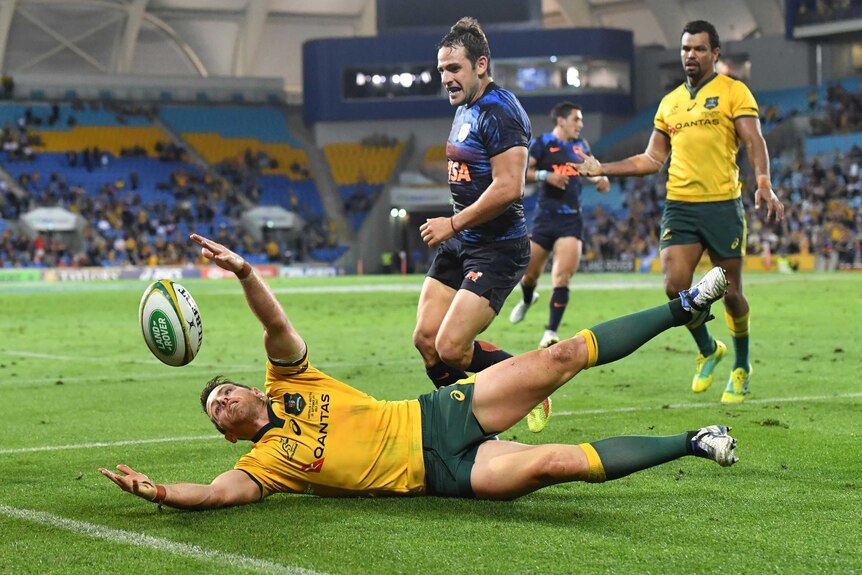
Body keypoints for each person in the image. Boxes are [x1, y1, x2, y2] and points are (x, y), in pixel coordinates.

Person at [99, 233, 737, 509]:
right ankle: (693, 441)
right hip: (442, 473)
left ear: (246, 387)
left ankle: (687, 306)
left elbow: (275, 326)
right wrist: (159, 493)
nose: (225, 402)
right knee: (554, 464)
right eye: (216, 411)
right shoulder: (261, 468)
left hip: (437, 413)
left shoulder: (288, 380)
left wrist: (244, 272)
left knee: (558, 357)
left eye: (225, 391)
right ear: (229, 436)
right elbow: (213, 495)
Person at [575, 20, 785, 404]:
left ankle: (741, 366)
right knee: (675, 287)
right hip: (680, 206)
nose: (691, 55)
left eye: (699, 49)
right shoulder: (670, 102)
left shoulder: (733, 92)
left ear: (715, 54)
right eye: (686, 48)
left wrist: (764, 182)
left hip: (722, 204)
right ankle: (708, 348)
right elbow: (652, 158)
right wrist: (601, 167)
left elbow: (754, 139)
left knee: (732, 294)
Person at [414, 17, 531, 391]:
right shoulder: (465, 104)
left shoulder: (501, 111)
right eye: (441, 70)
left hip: (498, 247)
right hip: (464, 240)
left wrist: (452, 223)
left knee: (451, 347)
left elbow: (510, 186)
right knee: (427, 341)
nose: (446, 78)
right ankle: (467, 433)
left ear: (481, 66)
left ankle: (531, 378)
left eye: (454, 68)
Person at [508, 102, 610, 433]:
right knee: (530, 276)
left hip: (571, 222)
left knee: (562, 275)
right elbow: (521, 172)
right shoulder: (541, 144)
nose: (581, 124)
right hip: (544, 220)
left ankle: (550, 331)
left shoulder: (581, 147)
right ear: (562, 120)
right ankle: (527, 298)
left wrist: (602, 178)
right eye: (577, 119)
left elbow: (592, 170)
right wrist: (544, 175)